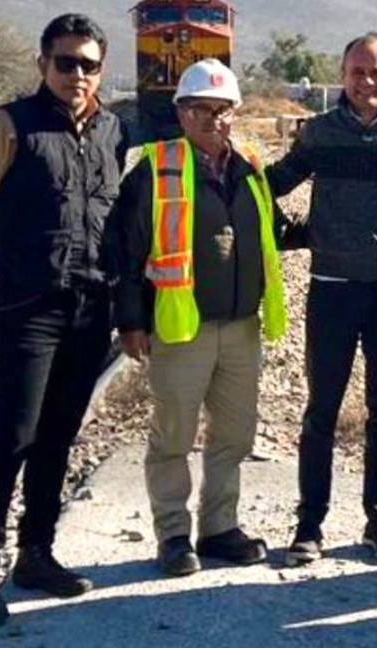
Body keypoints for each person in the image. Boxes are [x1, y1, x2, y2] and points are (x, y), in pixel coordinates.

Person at [0, 13, 126, 627]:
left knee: (58, 437)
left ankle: (36, 553)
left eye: (89, 64)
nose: (77, 74)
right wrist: (21, 257)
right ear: (42, 63)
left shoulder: (111, 130)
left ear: (101, 70)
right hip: (30, 308)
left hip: (90, 306)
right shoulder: (8, 126)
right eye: (66, 62)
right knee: (12, 436)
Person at [113, 59, 297, 577]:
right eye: (200, 109)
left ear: (235, 112)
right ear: (181, 112)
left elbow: (275, 231)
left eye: (222, 109)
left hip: (241, 326)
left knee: (234, 435)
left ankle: (218, 528)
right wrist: (130, 321)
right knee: (173, 435)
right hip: (180, 326)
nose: (213, 119)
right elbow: (127, 252)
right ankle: (173, 535)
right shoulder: (155, 168)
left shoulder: (250, 166)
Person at [267, 35, 377, 565]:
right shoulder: (318, 135)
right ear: (342, 75)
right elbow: (270, 185)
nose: (366, 82)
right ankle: (309, 525)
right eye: (357, 72)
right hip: (332, 292)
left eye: (376, 72)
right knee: (321, 411)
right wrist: (295, 233)